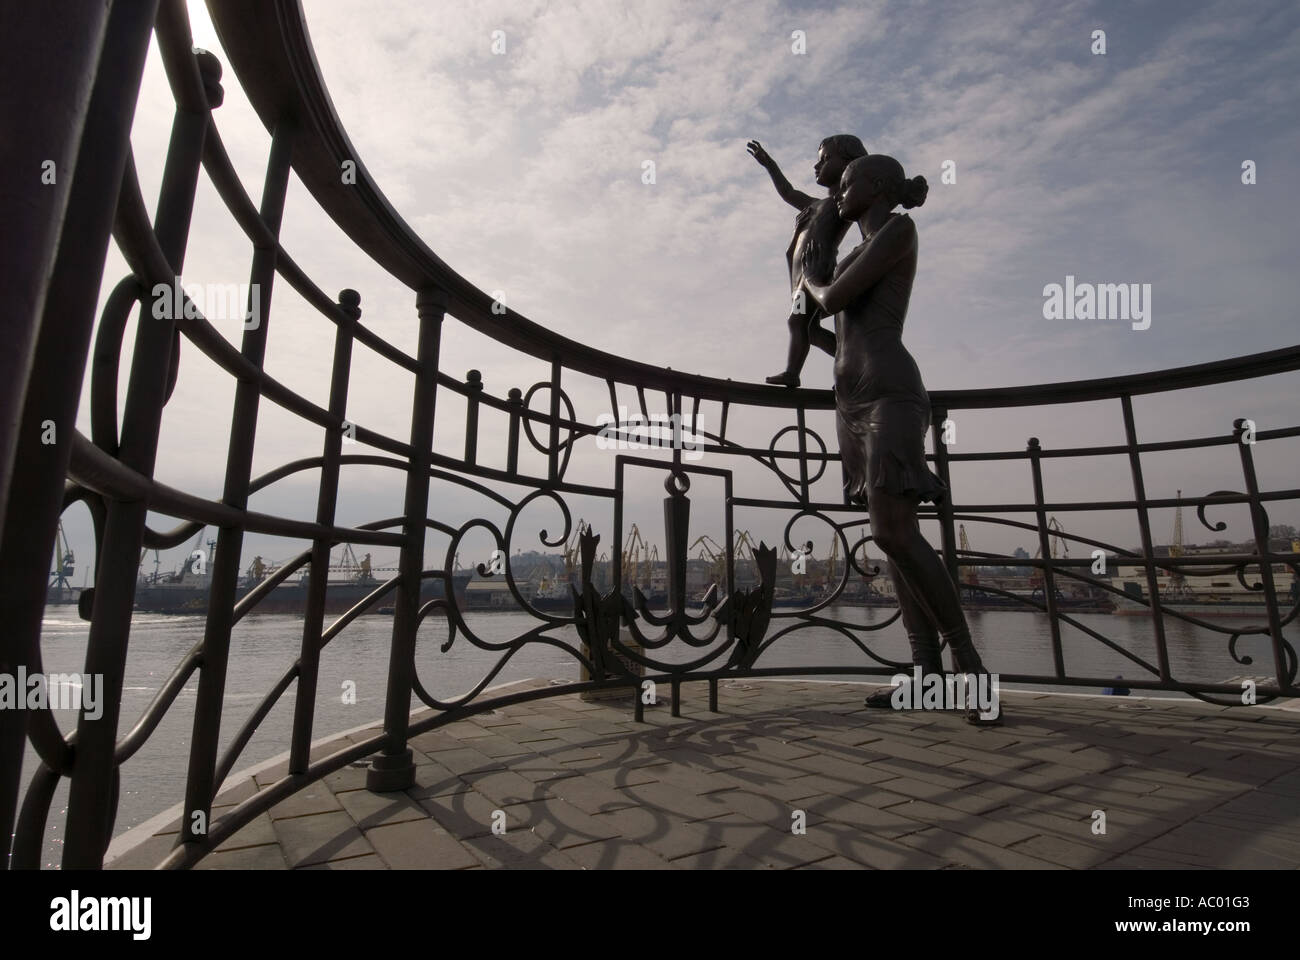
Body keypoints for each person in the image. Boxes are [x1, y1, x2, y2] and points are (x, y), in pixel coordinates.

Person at [799, 154, 1001, 725]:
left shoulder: (899, 230)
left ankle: (970, 670)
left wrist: (813, 279)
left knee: (895, 531)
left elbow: (833, 297)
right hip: (852, 402)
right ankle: (926, 672)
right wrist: (809, 326)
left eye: (847, 182)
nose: (839, 192)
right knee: (889, 538)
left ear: (879, 186)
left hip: (891, 395)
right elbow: (839, 334)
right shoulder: (857, 249)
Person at [747, 135, 868, 388]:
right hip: (803, 275)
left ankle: (794, 372)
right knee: (809, 329)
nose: (817, 166)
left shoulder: (842, 203)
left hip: (816, 271)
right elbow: (788, 192)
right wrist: (770, 165)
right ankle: (853, 361)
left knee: (797, 321)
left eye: (825, 160)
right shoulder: (818, 205)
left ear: (848, 164)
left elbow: (867, 222)